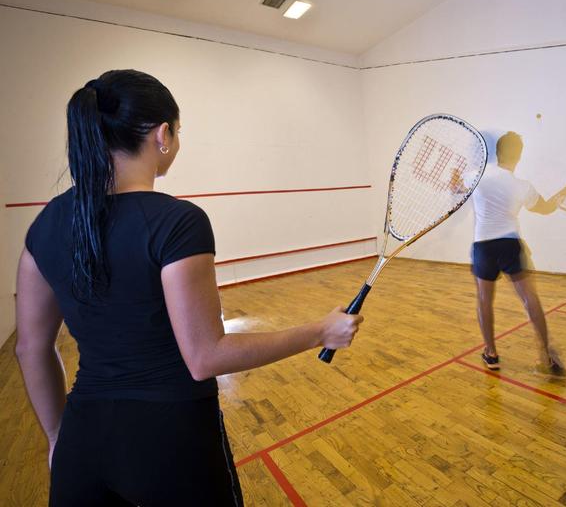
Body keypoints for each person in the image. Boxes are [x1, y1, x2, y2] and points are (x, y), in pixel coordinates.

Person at [14, 69, 363, 506]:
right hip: (171, 441)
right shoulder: (177, 222)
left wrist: (56, 438)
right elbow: (205, 357)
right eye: (178, 132)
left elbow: (30, 347)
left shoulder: (46, 224)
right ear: (162, 134)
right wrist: (320, 331)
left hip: (83, 442)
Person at [470, 131, 566, 378]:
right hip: (510, 245)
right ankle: (548, 355)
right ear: (519, 156)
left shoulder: (477, 176)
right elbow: (546, 208)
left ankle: (491, 353)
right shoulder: (522, 186)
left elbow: (456, 186)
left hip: (483, 247)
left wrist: (455, 179)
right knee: (529, 298)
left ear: (497, 153)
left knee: (484, 300)